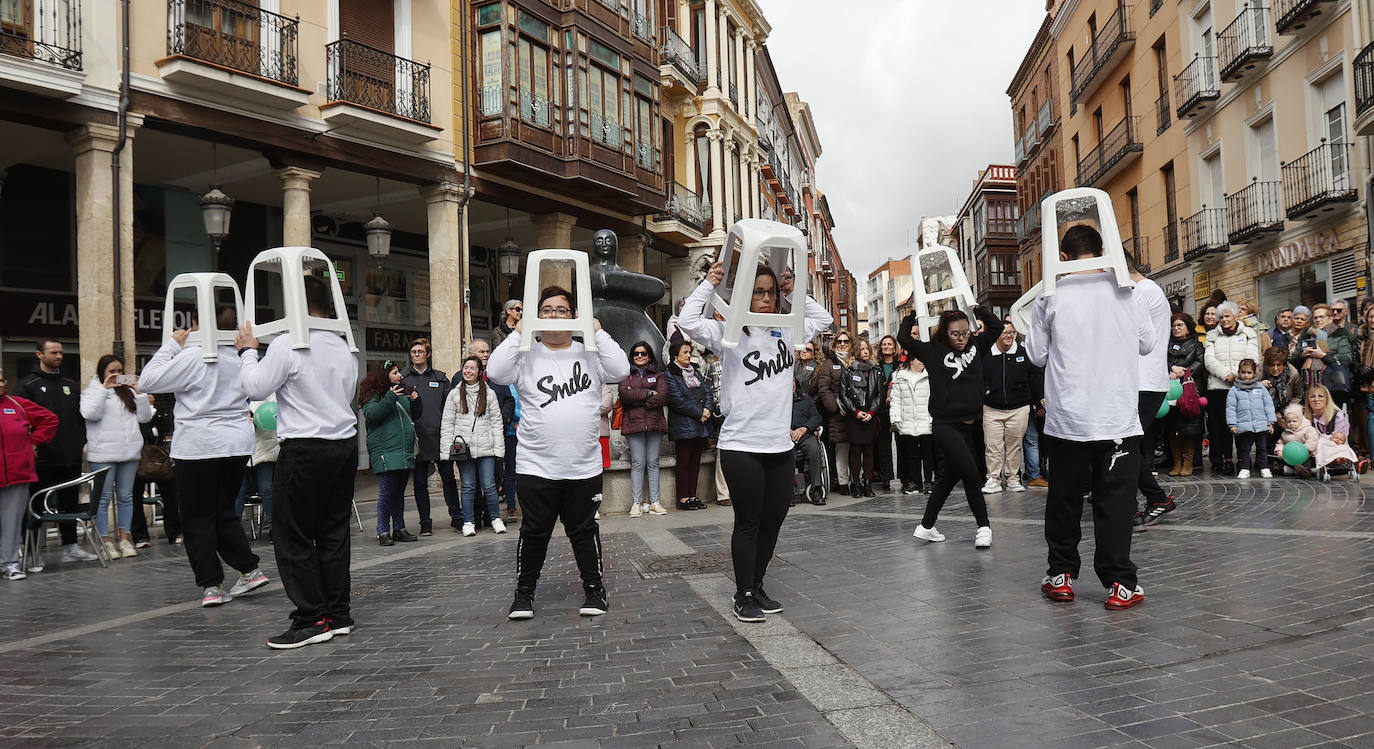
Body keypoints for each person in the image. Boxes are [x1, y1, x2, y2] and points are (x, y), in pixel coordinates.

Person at [678, 260, 832, 622]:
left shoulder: (788, 331)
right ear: (746, 296)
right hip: (741, 444)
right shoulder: (730, 331)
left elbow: (823, 320)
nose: (765, 299)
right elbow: (687, 321)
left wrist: (795, 293)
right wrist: (710, 283)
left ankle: (757, 585)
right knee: (748, 521)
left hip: (779, 445)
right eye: (758, 292)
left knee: (774, 518)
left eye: (771, 293)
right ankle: (742, 592)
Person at [1026, 224, 1156, 610]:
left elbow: (1035, 355)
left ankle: (1061, 575)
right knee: (1114, 503)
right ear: (1103, 250)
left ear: (1063, 257)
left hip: (1068, 417)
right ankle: (1120, 583)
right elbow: (1148, 344)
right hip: (1116, 416)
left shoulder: (1050, 295)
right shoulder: (1127, 292)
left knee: (1064, 499)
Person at [487, 286, 628, 620]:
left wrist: (596, 329)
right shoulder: (525, 354)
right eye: (546, 310)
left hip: (583, 465)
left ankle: (594, 590)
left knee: (583, 531)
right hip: (537, 464)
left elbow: (621, 370)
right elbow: (494, 372)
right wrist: (518, 331)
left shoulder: (589, 352)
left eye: (561, 310)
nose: (553, 316)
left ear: (573, 315)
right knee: (534, 532)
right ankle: (523, 594)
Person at [237, 275, 361, 650]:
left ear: (297, 305)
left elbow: (255, 387)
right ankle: (337, 613)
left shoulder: (288, 344)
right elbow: (348, 393)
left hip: (306, 446)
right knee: (332, 531)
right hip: (343, 444)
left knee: (292, 534)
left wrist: (247, 350)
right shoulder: (343, 346)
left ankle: (311, 617)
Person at [139, 311, 269, 606]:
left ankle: (211, 584)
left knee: (197, 516)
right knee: (222, 509)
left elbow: (147, 380)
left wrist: (171, 345)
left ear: (200, 326)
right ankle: (249, 569)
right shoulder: (240, 357)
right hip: (236, 443)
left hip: (198, 445)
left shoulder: (193, 355)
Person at [898, 304, 1003, 548]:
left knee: (948, 477)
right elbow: (904, 338)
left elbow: (996, 327)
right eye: (955, 334)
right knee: (971, 473)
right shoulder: (932, 351)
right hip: (945, 425)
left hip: (971, 425)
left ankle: (926, 526)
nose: (961, 338)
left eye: (965, 332)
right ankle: (984, 526)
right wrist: (912, 315)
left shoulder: (976, 346)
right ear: (944, 332)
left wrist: (978, 310)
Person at [17, 338, 98, 569]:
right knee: (35, 507)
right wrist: (33, 446)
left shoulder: (70, 384)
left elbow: (77, 418)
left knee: (70, 504)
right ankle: (32, 552)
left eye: (61, 352)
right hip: (41, 459)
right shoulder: (27, 385)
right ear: (39, 355)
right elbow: (21, 421)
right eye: (53, 352)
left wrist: (79, 443)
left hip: (69, 457)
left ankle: (70, 548)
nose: (59, 356)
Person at [81, 355, 152, 559]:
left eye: (120, 371)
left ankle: (124, 538)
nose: (117, 375)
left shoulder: (128, 392)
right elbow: (90, 414)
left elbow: (145, 417)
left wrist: (139, 392)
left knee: (126, 497)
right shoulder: (92, 391)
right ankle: (105, 541)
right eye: (112, 371)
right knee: (102, 499)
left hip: (129, 452)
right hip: (103, 453)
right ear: (102, 371)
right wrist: (104, 389)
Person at [0, 367, 58, 580]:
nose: (1, 384)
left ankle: (10, 563)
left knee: (12, 521)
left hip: (18, 473)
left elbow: (50, 419)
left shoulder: (16, 404)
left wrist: (34, 441)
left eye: (2, 379)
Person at [440, 355, 507, 537]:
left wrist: (499, 449)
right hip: (464, 450)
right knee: (468, 485)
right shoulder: (454, 394)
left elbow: (496, 422)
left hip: (487, 448)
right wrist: (446, 451)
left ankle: (495, 518)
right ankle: (468, 521)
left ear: (479, 372)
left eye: (472, 368)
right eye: (465, 367)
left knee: (489, 485)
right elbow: (447, 424)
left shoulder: (489, 393)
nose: (468, 371)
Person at [1128, 263, 1173, 527]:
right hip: (1147, 380)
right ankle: (1139, 502)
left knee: (1124, 445)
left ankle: (1155, 499)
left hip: (1142, 381)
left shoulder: (1139, 291)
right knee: (1131, 446)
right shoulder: (1150, 289)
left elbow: (1134, 335)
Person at [401, 338, 458, 536]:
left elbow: (451, 408)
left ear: (428, 354)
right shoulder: (403, 378)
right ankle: (425, 522)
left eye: (420, 352)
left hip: (440, 436)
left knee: (449, 478)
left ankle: (456, 517)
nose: (416, 355)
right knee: (419, 483)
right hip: (416, 439)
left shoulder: (441, 378)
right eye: (413, 352)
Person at [359, 361, 421, 546]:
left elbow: (415, 415)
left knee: (399, 492)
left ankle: (399, 528)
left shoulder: (399, 395)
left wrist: (416, 401)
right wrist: (390, 398)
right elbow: (372, 415)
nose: (400, 376)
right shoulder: (374, 396)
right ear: (384, 376)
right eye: (395, 373)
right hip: (385, 450)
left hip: (403, 450)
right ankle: (383, 530)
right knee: (387, 492)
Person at [981, 320, 1038, 494]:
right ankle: (993, 479)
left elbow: (1034, 376)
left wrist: (1037, 399)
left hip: (1019, 408)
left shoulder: (1023, 352)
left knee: (1014, 446)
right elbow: (977, 375)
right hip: (992, 409)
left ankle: (1013, 478)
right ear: (997, 334)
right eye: (1005, 333)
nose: (1009, 336)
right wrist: (985, 390)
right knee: (993, 446)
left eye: (1012, 333)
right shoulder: (986, 353)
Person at [1204, 301, 1260, 475]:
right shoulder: (1212, 335)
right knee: (1221, 426)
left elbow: (1252, 357)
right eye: (1221, 317)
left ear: (1236, 316)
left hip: (1242, 385)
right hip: (1218, 387)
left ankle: (1243, 458)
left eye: (1227, 316)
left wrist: (1237, 375)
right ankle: (1226, 459)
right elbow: (1209, 360)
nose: (1224, 320)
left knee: (1242, 424)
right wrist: (1225, 374)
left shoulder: (1249, 333)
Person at [470, 337, 519, 525]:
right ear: (471, 355)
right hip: (476, 435)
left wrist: (504, 418)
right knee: (476, 478)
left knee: (499, 474)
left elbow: (509, 400)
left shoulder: (497, 375)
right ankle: (478, 513)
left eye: (487, 351)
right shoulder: (463, 376)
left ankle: (498, 511)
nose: (485, 354)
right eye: (481, 351)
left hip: (502, 432)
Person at [620, 341, 670, 516]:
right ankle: (636, 503)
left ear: (649, 356)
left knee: (653, 463)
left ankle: (655, 502)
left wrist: (637, 398)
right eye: (636, 353)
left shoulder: (659, 375)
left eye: (643, 353)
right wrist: (648, 393)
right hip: (634, 424)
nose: (639, 356)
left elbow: (663, 397)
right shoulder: (626, 375)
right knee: (638, 463)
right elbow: (624, 396)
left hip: (654, 423)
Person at [665, 341, 714, 512]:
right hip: (684, 424)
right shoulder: (670, 373)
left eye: (689, 352)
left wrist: (708, 409)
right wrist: (700, 413)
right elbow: (677, 401)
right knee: (684, 463)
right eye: (684, 352)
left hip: (700, 424)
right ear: (675, 355)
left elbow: (707, 392)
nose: (688, 355)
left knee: (695, 463)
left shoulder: (695, 371)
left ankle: (693, 495)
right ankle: (683, 498)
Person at [131, 393, 182, 547]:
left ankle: (174, 532)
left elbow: (167, 426)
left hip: (160, 458)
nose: (149, 396)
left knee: (170, 495)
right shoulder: (133, 407)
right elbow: (140, 430)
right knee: (135, 496)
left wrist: (154, 416)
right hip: (139, 456)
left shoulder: (163, 410)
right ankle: (140, 535)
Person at [840, 338, 884, 498]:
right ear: (856, 351)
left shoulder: (876, 370)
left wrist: (871, 412)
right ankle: (856, 484)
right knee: (856, 450)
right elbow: (843, 394)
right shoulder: (848, 370)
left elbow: (880, 394)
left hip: (870, 415)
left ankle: (867, 483)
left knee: (869, 449)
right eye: (862, 349)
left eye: (867, 349)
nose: (866, 351)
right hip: (854, 415)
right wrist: (855, 412)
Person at [1163, 313, 1205, 478]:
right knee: (1173, 428)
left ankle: (1188, 463)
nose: (1176, 328)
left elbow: (1201, 363)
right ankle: (1176, 462)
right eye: (1174, 326)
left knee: (1189, 427)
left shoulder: (1197, 345)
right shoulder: (1166, 345)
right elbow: (1161, 361)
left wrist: (1184, 371)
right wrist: (1170, 369)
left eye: (1180, 325)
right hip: (1171, 389)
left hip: (1189, 390)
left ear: (1188, 328)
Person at [811, 332, 852, 494]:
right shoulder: (829, 364)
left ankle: (858, 481)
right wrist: (834, 407)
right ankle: (843, 483)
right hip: (838, 413)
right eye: (839, 341)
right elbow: (823, 388)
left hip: (856, 412)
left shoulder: (855, 359)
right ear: (834, 344)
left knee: (857, 449)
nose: (843, 344)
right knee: (841, 448)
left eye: (846, 341)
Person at [889, 357, 935, 495]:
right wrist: (896, 418)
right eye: (919, 359)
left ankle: (928, 481)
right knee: (912, 455)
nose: (922, 361)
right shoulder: (900, 376)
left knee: (928, 455)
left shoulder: (930, 375)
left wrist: (933, 417)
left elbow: (936, 397)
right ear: (911, 361)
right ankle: (915, 482)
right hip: (907, 422)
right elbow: (896, 400)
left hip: (926, 421)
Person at [235, 397, 278, 537]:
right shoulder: (236, 390)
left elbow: (274, 414)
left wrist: (256, 420)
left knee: (267, 489)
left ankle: (274, 529)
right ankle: (232, 531)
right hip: (239, 448)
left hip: (263, 447)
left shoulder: (268, 390)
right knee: (238, 491)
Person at [1226, 358, 1275, 480]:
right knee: (1245, 449)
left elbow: (1268, 404)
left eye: (1249, 372)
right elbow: (1230, 408)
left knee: (1262, 448)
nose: (1246, 375)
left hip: (1261, 425)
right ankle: (1245, 468)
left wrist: (1271, 421)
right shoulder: (1234, 390)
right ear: (1239, 372)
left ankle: (1264, 468)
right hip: (1244, 426)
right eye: (1243, 372)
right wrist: (1232, 424)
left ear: (1254, 373)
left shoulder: (1260, 388)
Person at [1305, 384, 1358, 479]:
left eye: (1320, 396)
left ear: (1327, 399)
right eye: (1312, 396)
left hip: (1333, 448)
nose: (1316, 399)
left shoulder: (1338, 416)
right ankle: (1304, 469)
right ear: (1308, 401)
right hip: (1313, 450)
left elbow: (1340, 439)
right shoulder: (1306, 418)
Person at [791, 378, 826, 505]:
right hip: (785, 436)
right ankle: (789, 491)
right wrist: (788, 430)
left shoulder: (806, 399)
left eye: (792, 381)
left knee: (815, 450)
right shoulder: (777, 401)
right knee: (786, 454)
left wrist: (804, 428)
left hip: (805, 434)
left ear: (796, 383)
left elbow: (817, 417)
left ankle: (816, 489)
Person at [873, 335, 901, 490]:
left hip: (897, 407)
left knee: (901, 443)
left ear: (894, 347)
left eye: (889, 344)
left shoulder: (900, 365)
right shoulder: (876, 365)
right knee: (883, 445)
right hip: (880, 409)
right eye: (884, 344)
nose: (886, 347)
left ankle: (905, 477)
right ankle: (885, 478)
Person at [1274, 404, 1320, 478]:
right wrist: (1279, 451)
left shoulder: (1308, 429)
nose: (1291, 424)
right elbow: (1281, 443)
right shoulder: (1285, 433)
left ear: (1300, 420)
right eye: (1288, 422)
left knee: (1306, 462)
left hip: (1306, 455)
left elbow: (1312, 440)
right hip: (1290, 457)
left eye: (1294, 421)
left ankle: (1306, 471)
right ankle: (1292, 470)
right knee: (1281, 460)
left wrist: (1305, 450)